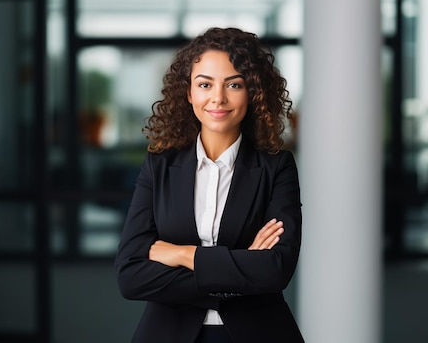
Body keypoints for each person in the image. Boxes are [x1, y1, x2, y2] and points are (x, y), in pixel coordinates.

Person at [115, 27, 304, 343]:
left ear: (253, 92)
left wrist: (180, 254)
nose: (218, 97)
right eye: (205, 84)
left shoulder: (276, 167)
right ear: (189, 92)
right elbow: (130, 276)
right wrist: (239, 271)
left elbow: (274, 271)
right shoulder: (159, 165)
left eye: (234, 84)